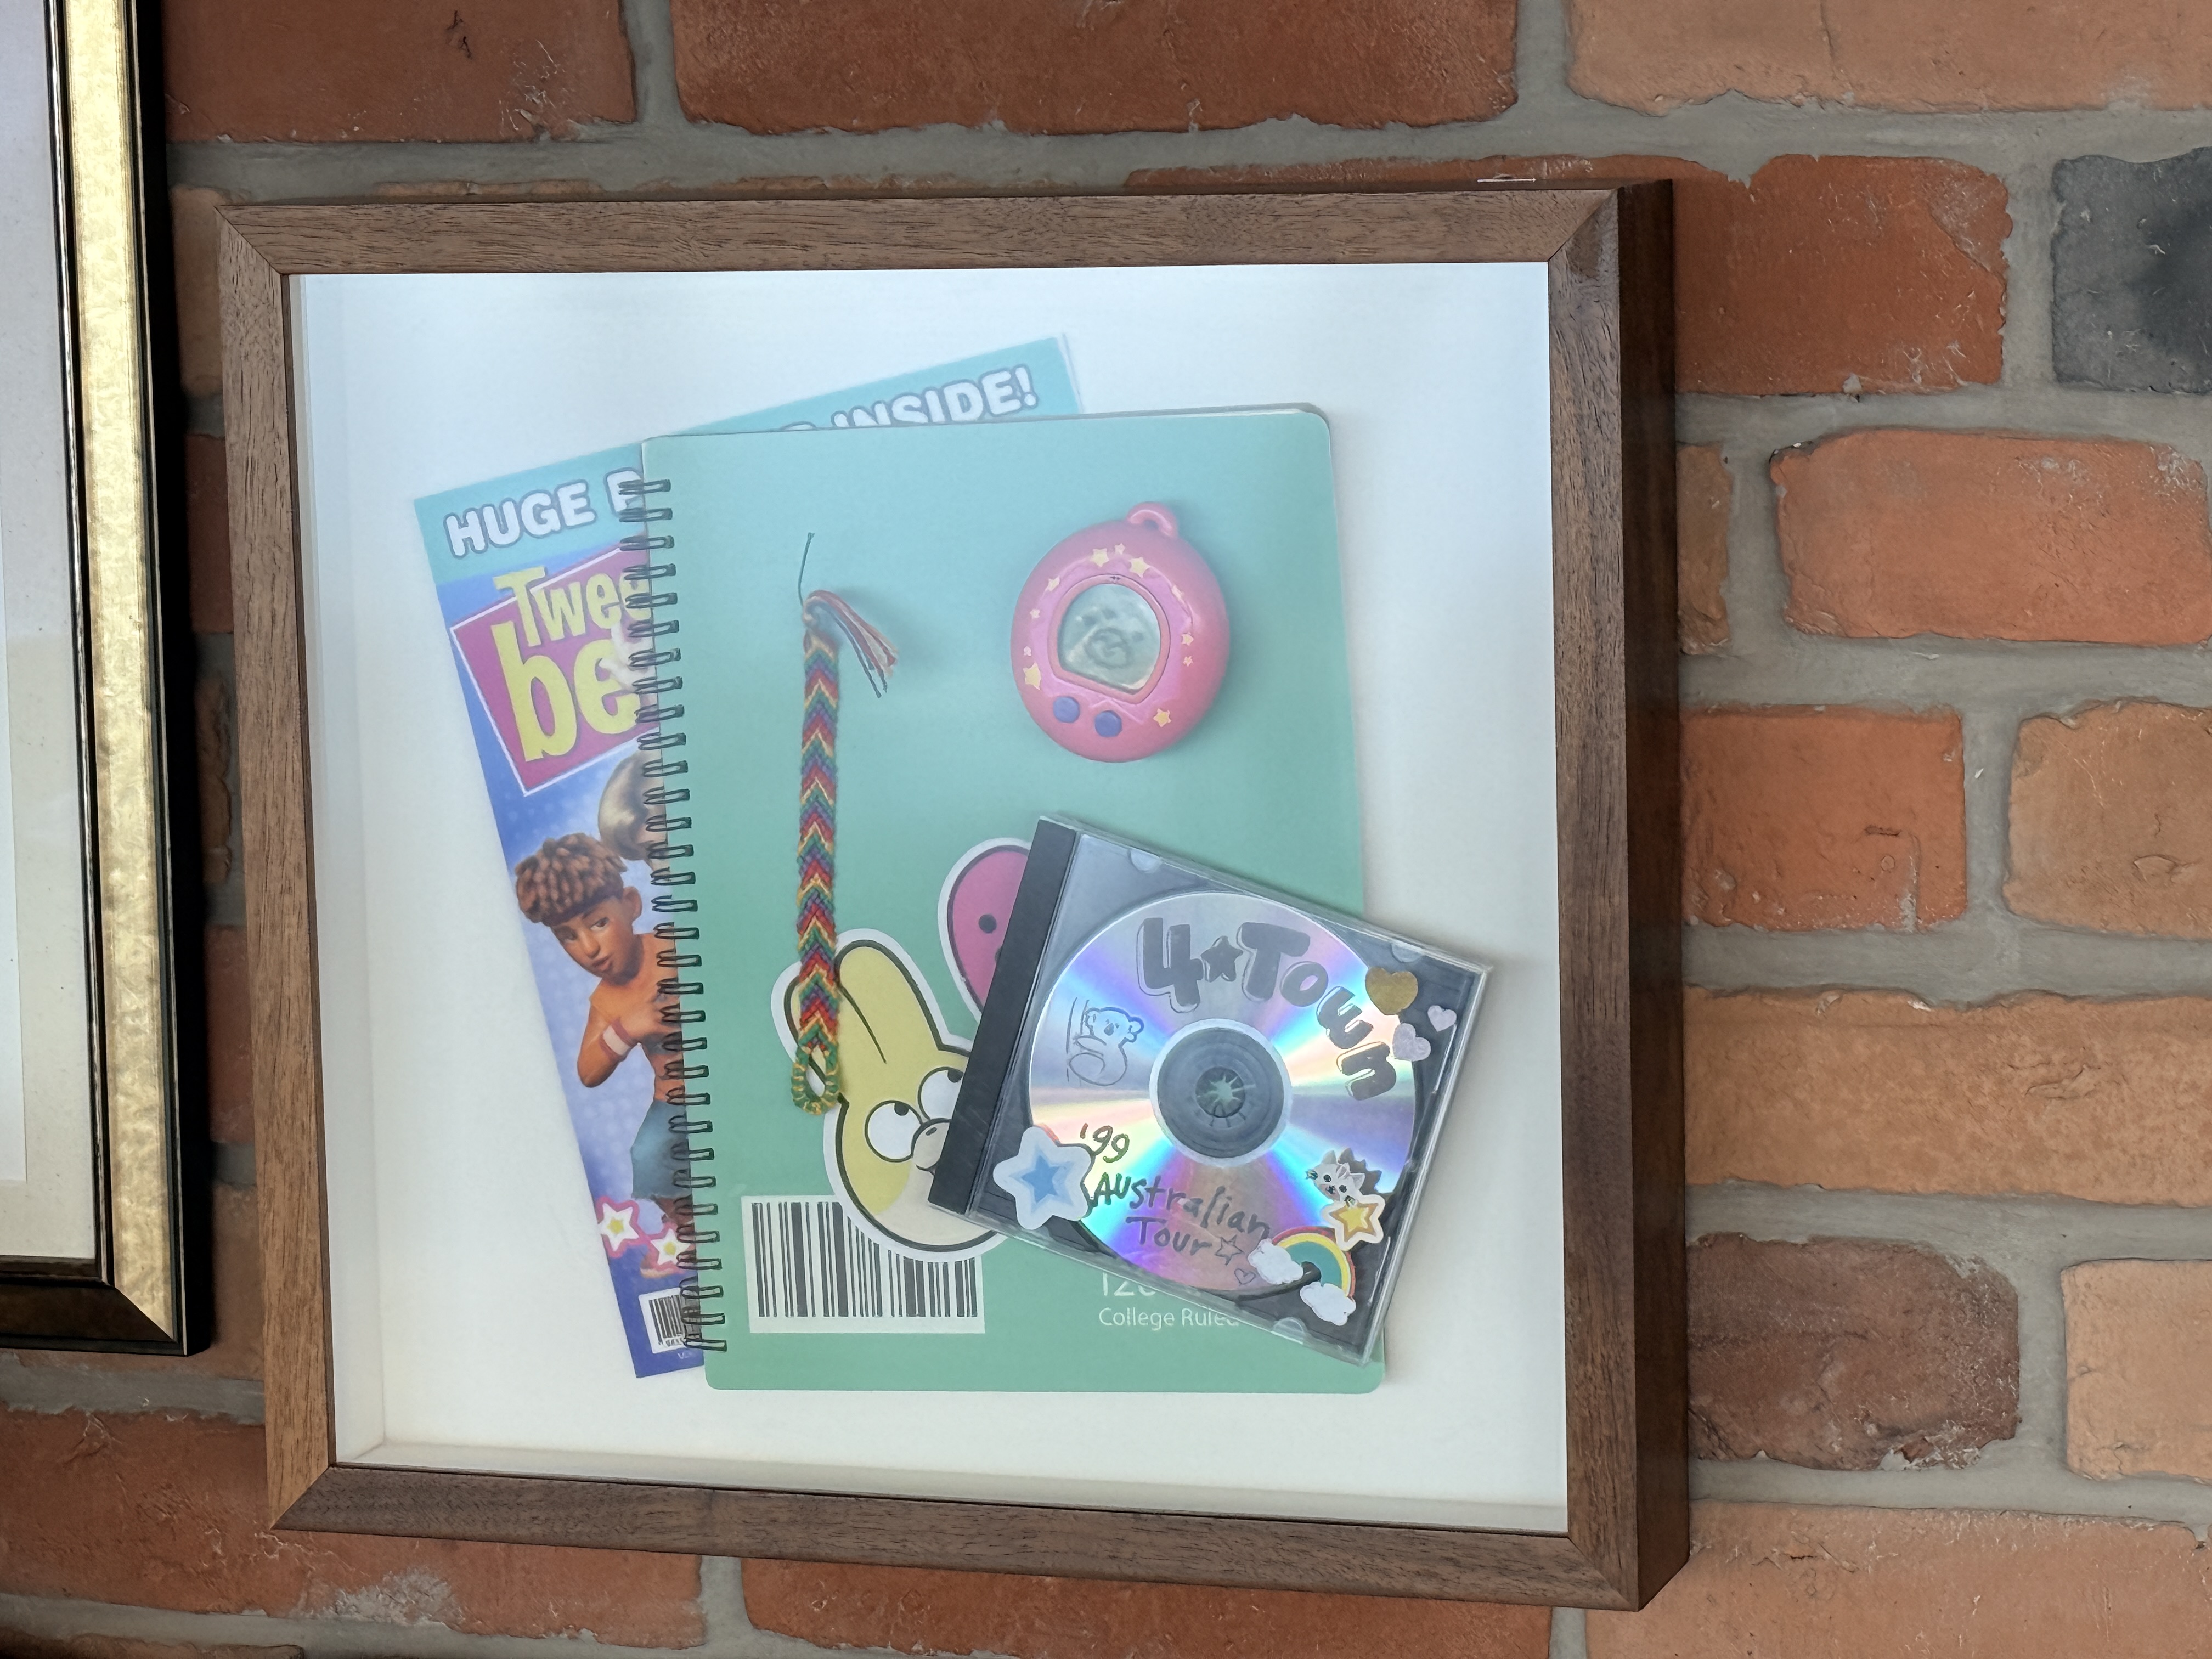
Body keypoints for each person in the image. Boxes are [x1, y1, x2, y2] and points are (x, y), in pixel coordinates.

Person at [513, 832, 686, 1226]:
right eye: (568, 937)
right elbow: (588, 1071)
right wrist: (627, 1028)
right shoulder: (607, 1002)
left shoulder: (674, 945)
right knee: (648, 1156)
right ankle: (688, 1225)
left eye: (599, 923)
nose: (589, 948)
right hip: (676, 1101)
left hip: (730, 1074)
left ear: (631, 904)